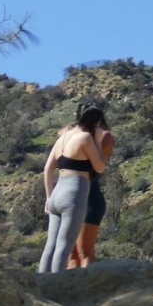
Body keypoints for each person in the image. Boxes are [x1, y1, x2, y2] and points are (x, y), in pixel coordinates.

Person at [39, 105, 109, 273]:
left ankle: (40, 286)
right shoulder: (85, 138)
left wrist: (48, 197)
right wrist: (98, 142)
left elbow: (47, 169)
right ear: (96, 122)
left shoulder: (62, 138)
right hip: (74, 194)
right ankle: (56, 287)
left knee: (51, 246)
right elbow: (99, 168)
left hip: (56, 193)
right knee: (64, 246)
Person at [69, 112, 116, 268]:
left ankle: (89, 287)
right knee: (71, 252)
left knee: (84, 251)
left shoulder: (105, 137)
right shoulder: (75, 137)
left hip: (90, 196)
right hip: (72, 196)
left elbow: (96, 168)